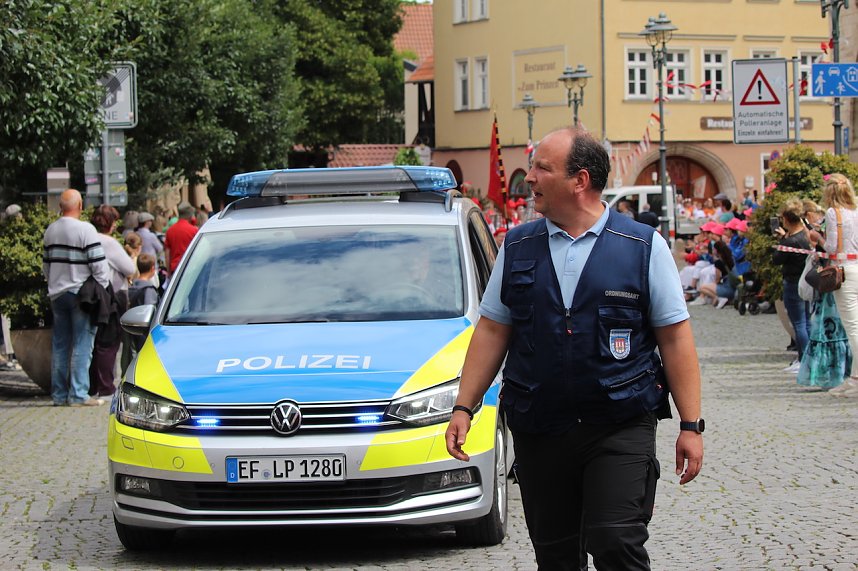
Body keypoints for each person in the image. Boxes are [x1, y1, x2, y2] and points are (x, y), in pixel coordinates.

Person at [444, 127, 703, 570]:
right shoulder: (518, 246)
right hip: (540, 425)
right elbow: (491, 331)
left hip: (618, 420)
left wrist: (691, 425)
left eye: (543, 167)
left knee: (615, 541)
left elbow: (675, 337)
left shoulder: (643, 246)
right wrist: (464, 407)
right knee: (556, 556)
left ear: (580, 180)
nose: (531, 177)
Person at [43, 189, 110, 406]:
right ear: (80, 205)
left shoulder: (50, 230)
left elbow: (46, 265)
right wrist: (102, 286)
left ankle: (59, 395)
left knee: (60, 345)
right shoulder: (85, 229)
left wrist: (52, 283)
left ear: (60, 207)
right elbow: (99, 265)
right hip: (81, 294)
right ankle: (79, 394)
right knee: (82, 344)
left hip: (57, 293)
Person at [88, 205, 135, 398]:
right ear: (110, 223)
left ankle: (92, 385)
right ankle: (106, 385)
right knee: (109, 343)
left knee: (94, 342)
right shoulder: (109, 242)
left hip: (92, 296)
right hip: (113, 296)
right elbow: (129, 268)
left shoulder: (89, 239)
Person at [822, 174, 858, 397]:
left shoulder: (832, 213)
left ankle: (855, 381)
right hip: (857, 264)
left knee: (853, 326)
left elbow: (831, 245)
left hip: (843, 268)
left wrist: (818, 239)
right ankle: (854, 377)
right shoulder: (855, 212)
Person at [772, 197, 812, 375]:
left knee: (799, 323)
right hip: (807, 281)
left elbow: (777, 259)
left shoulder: (789, 242)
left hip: (793, 282)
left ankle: (804, 359)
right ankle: (810, 357)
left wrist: (782, 240)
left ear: (786, 220)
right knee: (808, 322)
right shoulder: (806, 235)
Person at [696, 240, 735, 309]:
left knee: (702, 287)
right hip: (733, 286)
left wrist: (713, 285)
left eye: (714, 249)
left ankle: (719, 298)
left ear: (717, 250)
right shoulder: (731, 259)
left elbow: (717, 278)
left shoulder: (719, 262)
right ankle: (720, 299)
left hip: (726, 287)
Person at [164, 201, 198, 276]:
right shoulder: (194, 230)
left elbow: (167, 253)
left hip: (175, 268)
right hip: (191, 267)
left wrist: (169, 272)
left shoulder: (170, 230)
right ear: (191, 216)